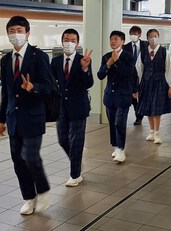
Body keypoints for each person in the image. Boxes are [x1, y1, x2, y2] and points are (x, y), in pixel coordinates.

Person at [0, 16, 52, 215]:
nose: (15, 34)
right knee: (18, 161)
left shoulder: (39, 57)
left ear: (27, 33)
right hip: (13, 118)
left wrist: (33, 87)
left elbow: (49, 87)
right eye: (11, 30)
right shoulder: (5, 60)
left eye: (19, 30)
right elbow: (6, 92)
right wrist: (2, 119)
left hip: (33, 116)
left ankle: (43, 189)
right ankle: (29, 197)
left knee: (30, 156)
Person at [50, 28, 93, 186]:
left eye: (72, 40)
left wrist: (84, 69)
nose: (69, 43)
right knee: (62, 140)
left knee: (76, 140)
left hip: (78, 106)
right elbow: (50, 82)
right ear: (62, 42)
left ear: (77, 43)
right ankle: (77, 158)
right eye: (66, 40)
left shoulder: (84, 59)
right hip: (61, 107)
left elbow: (89, 83)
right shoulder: (55, 61)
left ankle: (75, 175)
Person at [97, 31, 135, 163]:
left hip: (123, 96)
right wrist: (108, 64)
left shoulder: (128, 56)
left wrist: (117, 61)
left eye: (116, 39)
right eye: (111, 39)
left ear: (122, 41)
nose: (113, 41)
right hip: (109, 96)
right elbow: (100, 75)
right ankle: (116, 146)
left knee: (120, 122)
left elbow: (128, 73)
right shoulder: (106, 56)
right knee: (112, 123)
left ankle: (121, 148)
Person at [136, 29, 171, 144]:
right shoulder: (142, 52)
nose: (153, 38)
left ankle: (157, 133)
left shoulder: (164, 52)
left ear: (158, 37)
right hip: (146, 83)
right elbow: (139, 69)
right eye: (151, 36)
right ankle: (151, 131)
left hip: (160, 83)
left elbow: (168, 69)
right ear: (147, 38)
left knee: (156, 110)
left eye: (155, 36)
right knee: (148, 108)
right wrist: (138, 85)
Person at [123, 26, 147, 125]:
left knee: (141, 96)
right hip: (130, 75)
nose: (133, 35)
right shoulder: (126, 47)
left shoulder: (145, 45)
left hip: (143, 75)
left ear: (140, 34)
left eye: (135, 34)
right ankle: (138, 117)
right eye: (132, 33)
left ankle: (140, 116)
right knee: (133, 98)